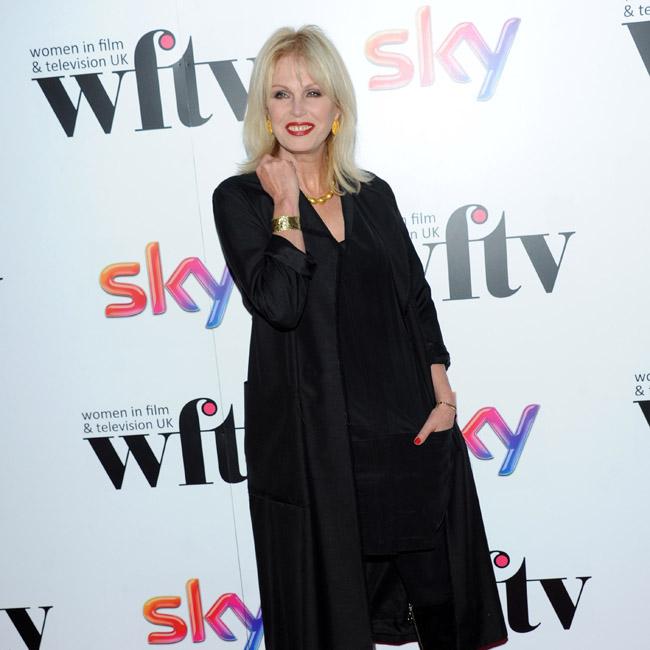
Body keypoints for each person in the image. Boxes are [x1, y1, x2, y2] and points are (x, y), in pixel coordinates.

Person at [212, 25, 507, 650]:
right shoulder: (240, 199)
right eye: (281, 94)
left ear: (337, 107)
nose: (297, 109)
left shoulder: (373, 195)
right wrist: (285, 203)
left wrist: (442, 395)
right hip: (317, 445)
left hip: (406, 430)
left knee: (441, 601)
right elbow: (280, 303)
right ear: (264, 109)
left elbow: (414, 298)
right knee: (334, 616)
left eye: (312, 92)